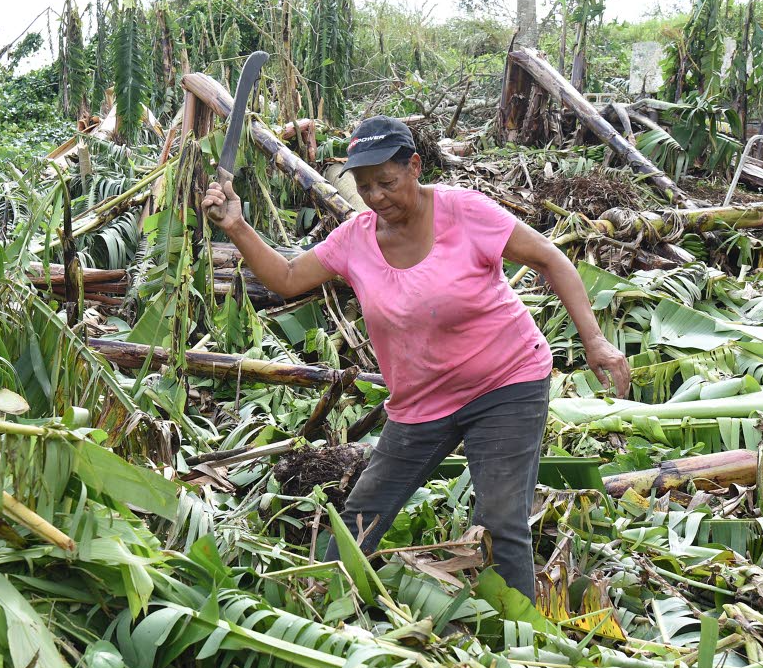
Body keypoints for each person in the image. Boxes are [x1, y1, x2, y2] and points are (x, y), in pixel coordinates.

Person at [201, 115, 630, 602]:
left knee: (501, 519)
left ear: (415, 167)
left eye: (387, 182)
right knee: (363, 510)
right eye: (365, 187)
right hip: (421, 403)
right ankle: (320, 604)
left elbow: (551, 259)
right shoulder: (355, 238)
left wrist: (594, 340)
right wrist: (235, 226)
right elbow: (287, 277)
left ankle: (519, 643)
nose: (377, 197)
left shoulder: (465, 212)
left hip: (506, 384)